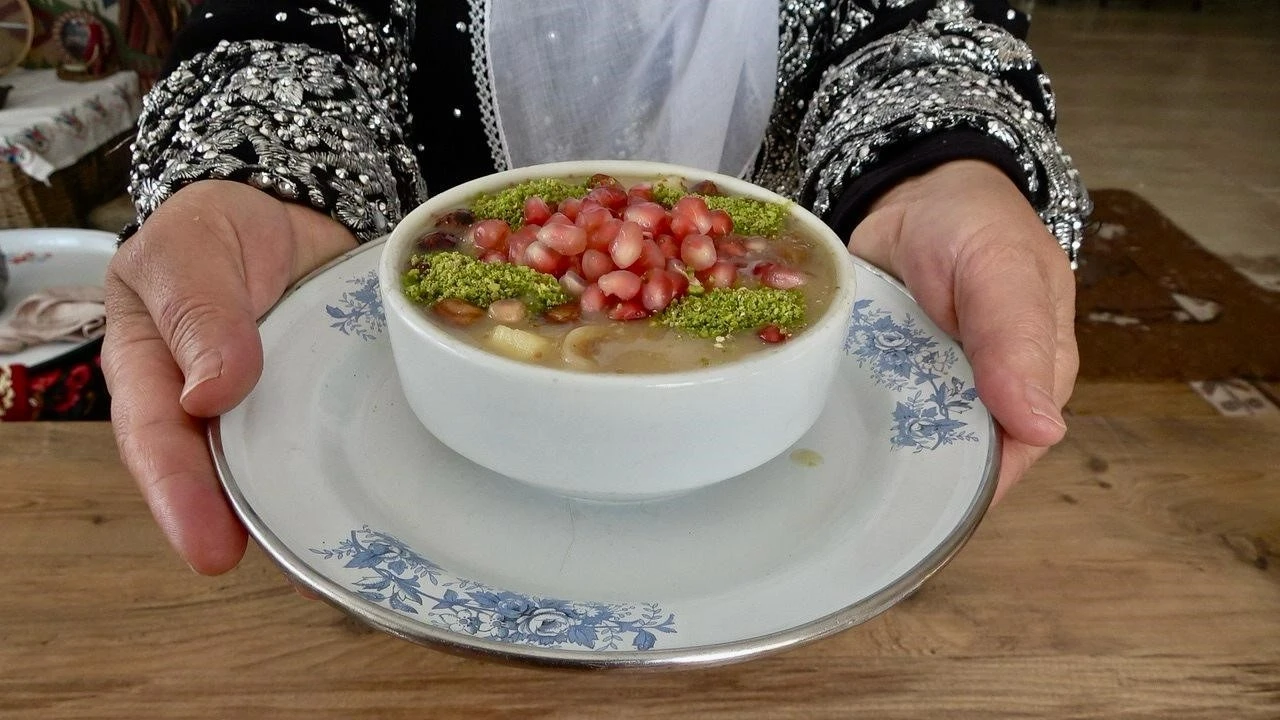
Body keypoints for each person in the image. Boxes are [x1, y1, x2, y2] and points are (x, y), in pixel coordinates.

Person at [105, 0, 1087, 575]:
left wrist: (941, 165)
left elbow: (925, 25)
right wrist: (256, 170)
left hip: (783, 463)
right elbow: (287, 21)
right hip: (419, 473)